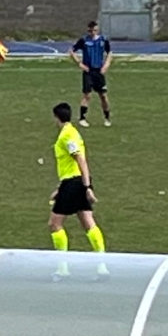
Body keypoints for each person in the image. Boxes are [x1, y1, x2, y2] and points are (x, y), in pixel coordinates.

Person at [47, 103, 106, 256]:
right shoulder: (73, 132)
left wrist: (87, 187)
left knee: (54, 224)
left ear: (56, 117)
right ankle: (102, 259)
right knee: (87, 221)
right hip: (75, 181)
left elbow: (80, 159)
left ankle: (61, 263)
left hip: (73, 183)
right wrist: (60, 188)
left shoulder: (66, 135)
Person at [72, 20, 114, 126]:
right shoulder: (84, 40)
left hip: (99, 71)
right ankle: (82, 118)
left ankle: (107, 118)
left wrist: (106, 65)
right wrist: (80, 64)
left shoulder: (103, 40)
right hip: (88, 71)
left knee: (103, 95)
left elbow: (109, 52)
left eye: (95, 30)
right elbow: (72, 51)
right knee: (87, 95)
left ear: (97, 30)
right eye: (90, 31)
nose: (93, 33)